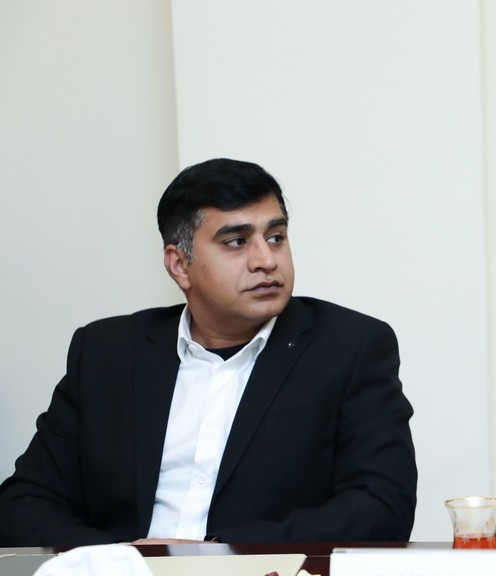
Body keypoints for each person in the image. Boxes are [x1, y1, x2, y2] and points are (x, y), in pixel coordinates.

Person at [0, 158, 417, 545]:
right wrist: (122, 560)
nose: (266, 260)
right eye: (236, 242)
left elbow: (382, 506)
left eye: (276, 237)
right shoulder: (108, 352)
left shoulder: (350, 347)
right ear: (179, 265)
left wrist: (217, 556)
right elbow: (23, 503)